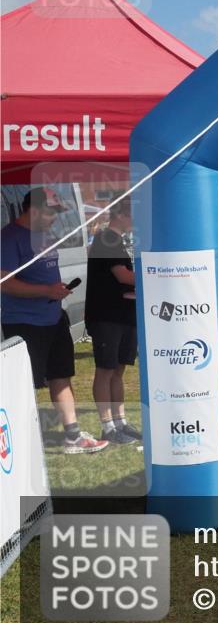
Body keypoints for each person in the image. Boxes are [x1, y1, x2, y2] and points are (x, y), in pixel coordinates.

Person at [1, 188, 109, 454]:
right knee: (23, 384)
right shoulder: (9, 238)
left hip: (53, 317)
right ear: (34, 210)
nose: (56, 219)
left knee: (61, 376)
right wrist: (46, 291)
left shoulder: (45, 235)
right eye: (52, 213)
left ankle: (72, 436)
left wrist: (55, 289)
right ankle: (16, 443)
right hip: (25, 323)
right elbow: (4, 281)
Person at [84, 201, 142, 445]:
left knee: (118, 370)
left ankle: (120, 422)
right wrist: (154, 273)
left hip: (122, 314)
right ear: (122, 214)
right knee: (106, 370)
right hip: (106, 316)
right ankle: (107, 426)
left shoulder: (115, 240)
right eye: (133, 215)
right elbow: (123, 275)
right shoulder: (106, 238)